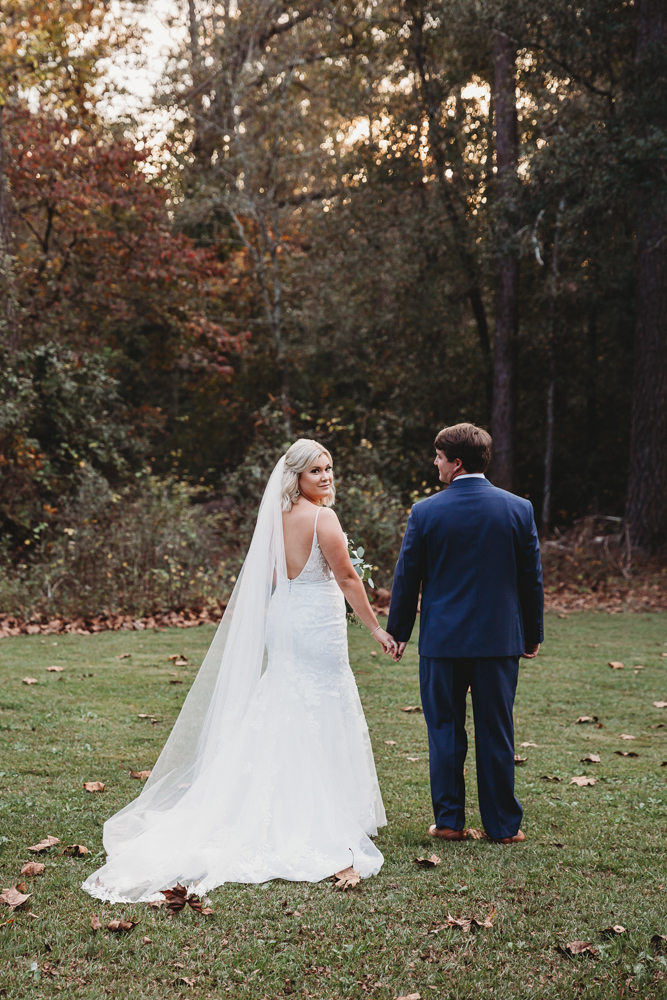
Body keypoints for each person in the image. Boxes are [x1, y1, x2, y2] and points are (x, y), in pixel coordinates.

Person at [83, 440, 393, 903]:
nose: (326, 476)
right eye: (315, 471)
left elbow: (272, 577)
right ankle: (317, 811)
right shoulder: (323, 518)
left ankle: (285, 799)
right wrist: (376, 629)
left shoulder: (277, 517)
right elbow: (347, 577)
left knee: (287, 697)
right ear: (296, 477)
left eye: (329, 467)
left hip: (286, 619)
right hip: (316, 624)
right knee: (322, 699)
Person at [386, 423, 543, 844]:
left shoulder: (425, 512)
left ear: (456, 463)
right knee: (496, 730)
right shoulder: (518, 509)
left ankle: (449, 822)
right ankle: (503, 827)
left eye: (439, 457)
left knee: (444, 729)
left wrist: (399, 631)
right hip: (499, 640)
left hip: (442, 641)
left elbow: (408, 577)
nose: (435, 463)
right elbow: (531, 580)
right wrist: (531, 634)